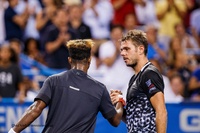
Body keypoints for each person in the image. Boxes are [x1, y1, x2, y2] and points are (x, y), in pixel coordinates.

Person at [8, 39, 124, 133]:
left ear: (69, 60)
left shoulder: (53, 80)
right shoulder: (100, 89)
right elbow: (115, 120)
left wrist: (13, 131)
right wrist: (119, 100)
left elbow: (35, 109)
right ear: (89, 59)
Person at [110, 30, 167, 132]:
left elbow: (161, 111)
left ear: (141, 49)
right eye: (122, 49)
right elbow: (132, 119)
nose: (122, 53)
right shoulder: (134, 78)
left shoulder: (149, 74)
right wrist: (119, 102)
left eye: (127, 49)